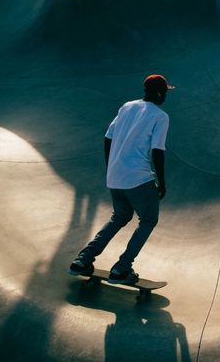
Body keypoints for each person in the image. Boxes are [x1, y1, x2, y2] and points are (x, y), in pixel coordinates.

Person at [69, 74, 174, 283]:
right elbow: (157, 152)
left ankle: (83, 259)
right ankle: (122, 268)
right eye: (166, 94)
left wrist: (112, 167)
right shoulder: (160, 116)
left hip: (115, 177)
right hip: (139, 178)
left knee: (119, 217)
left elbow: (108, 137)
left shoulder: (127, 107)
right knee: (148, 220)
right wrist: (161, 183)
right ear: (160, 93)